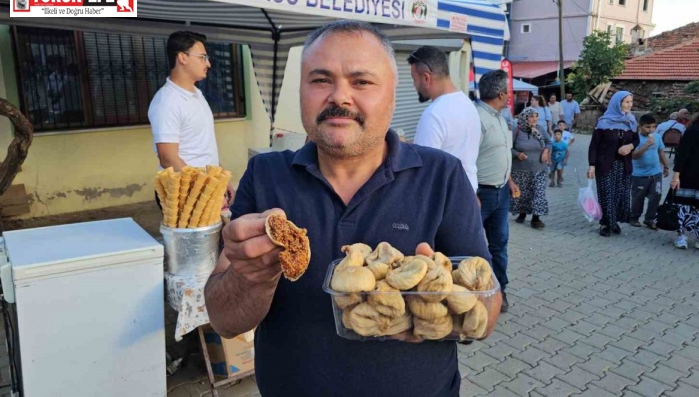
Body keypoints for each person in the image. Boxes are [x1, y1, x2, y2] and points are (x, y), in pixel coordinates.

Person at [203, 20, 501, 397]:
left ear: (392, 95)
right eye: (320, 80)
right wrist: (252, 277)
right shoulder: (266, 176)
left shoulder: (442, 176)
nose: (339, 97)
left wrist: (441, 300)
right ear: (301, 93)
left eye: (361, 82)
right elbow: (224, 320)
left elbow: (487, 311)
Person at [148, 31, 233, 206]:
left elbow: (204, 144)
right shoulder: (167, 101)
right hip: (183, 191)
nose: (208, 63)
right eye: (202, 57)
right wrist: (202, 190)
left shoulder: (197, 94)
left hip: (206, 186)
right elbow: (168, 158)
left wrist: (221, 178)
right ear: (182, 58)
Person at [475, 69, 520, 313]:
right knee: (471, 246)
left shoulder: (502, 119)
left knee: (499, 244)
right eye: (508, 92)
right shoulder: (476, 119)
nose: (509, 96)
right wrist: (471, 193)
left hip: (502, 193)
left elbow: (501, 156)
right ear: (502, 94)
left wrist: (510, 180)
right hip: (480, 194)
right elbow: (465, 159)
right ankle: (473, 293)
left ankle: (499, 290)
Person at [410, 46, 482, 191]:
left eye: (414, 79)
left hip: (444, 198)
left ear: (426, 77)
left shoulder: (434, 114)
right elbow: (453, 146)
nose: (414, 85)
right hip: (467, 191)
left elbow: (423, 168)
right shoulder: (467, 104)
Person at [587, 91, 640, 237]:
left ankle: (613, 221)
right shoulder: (603, 122)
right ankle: (605, 224)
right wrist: (592, 165)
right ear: (618, 103)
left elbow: (636, 140)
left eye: (631, 101)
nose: (630, 104)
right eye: (627, 102)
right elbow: (594, 145)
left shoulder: (631, 121)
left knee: (619, 195)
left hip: (623, 165)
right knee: (606, 194)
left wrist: (630, 147)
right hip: (605, 164)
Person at [670, 107, 699, 250]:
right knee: (685, 206)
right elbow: (682, 154)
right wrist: (676, 176)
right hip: (689, 175)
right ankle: (681, 235)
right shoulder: (694, 130)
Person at [511, 108, 551, 229]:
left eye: (536, 116)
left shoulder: (540, 129)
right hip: (521, 169)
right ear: (525, 118)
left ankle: (536, 218)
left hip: (539, 168)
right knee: (523, 193)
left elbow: (549, 142)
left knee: (538, 193)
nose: (534, 119)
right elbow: (508, 148)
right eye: (531, 117)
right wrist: (517, 154)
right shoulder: (516, 130)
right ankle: (522, 213)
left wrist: (546, 150)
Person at [629, 114, 670, 230]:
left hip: (655, 174)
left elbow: (661, 151)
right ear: (640, 126)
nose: (651, 130)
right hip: (639, 175)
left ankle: (650, 219)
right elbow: (634, 156)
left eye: (653, 127)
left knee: (656, 196)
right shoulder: (635, 138)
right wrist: (647, 145)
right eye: (648, 127)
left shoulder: (656, 136)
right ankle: (634, 217)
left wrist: (666, 166)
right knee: (638, 197)